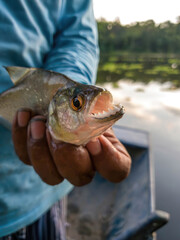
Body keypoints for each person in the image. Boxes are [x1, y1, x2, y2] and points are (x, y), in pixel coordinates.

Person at [0, 0, 131, 239]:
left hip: (30, 195)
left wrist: (72, 79)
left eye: (76, 104)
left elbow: (76, 32)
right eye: (77, 105)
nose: (78, 105)